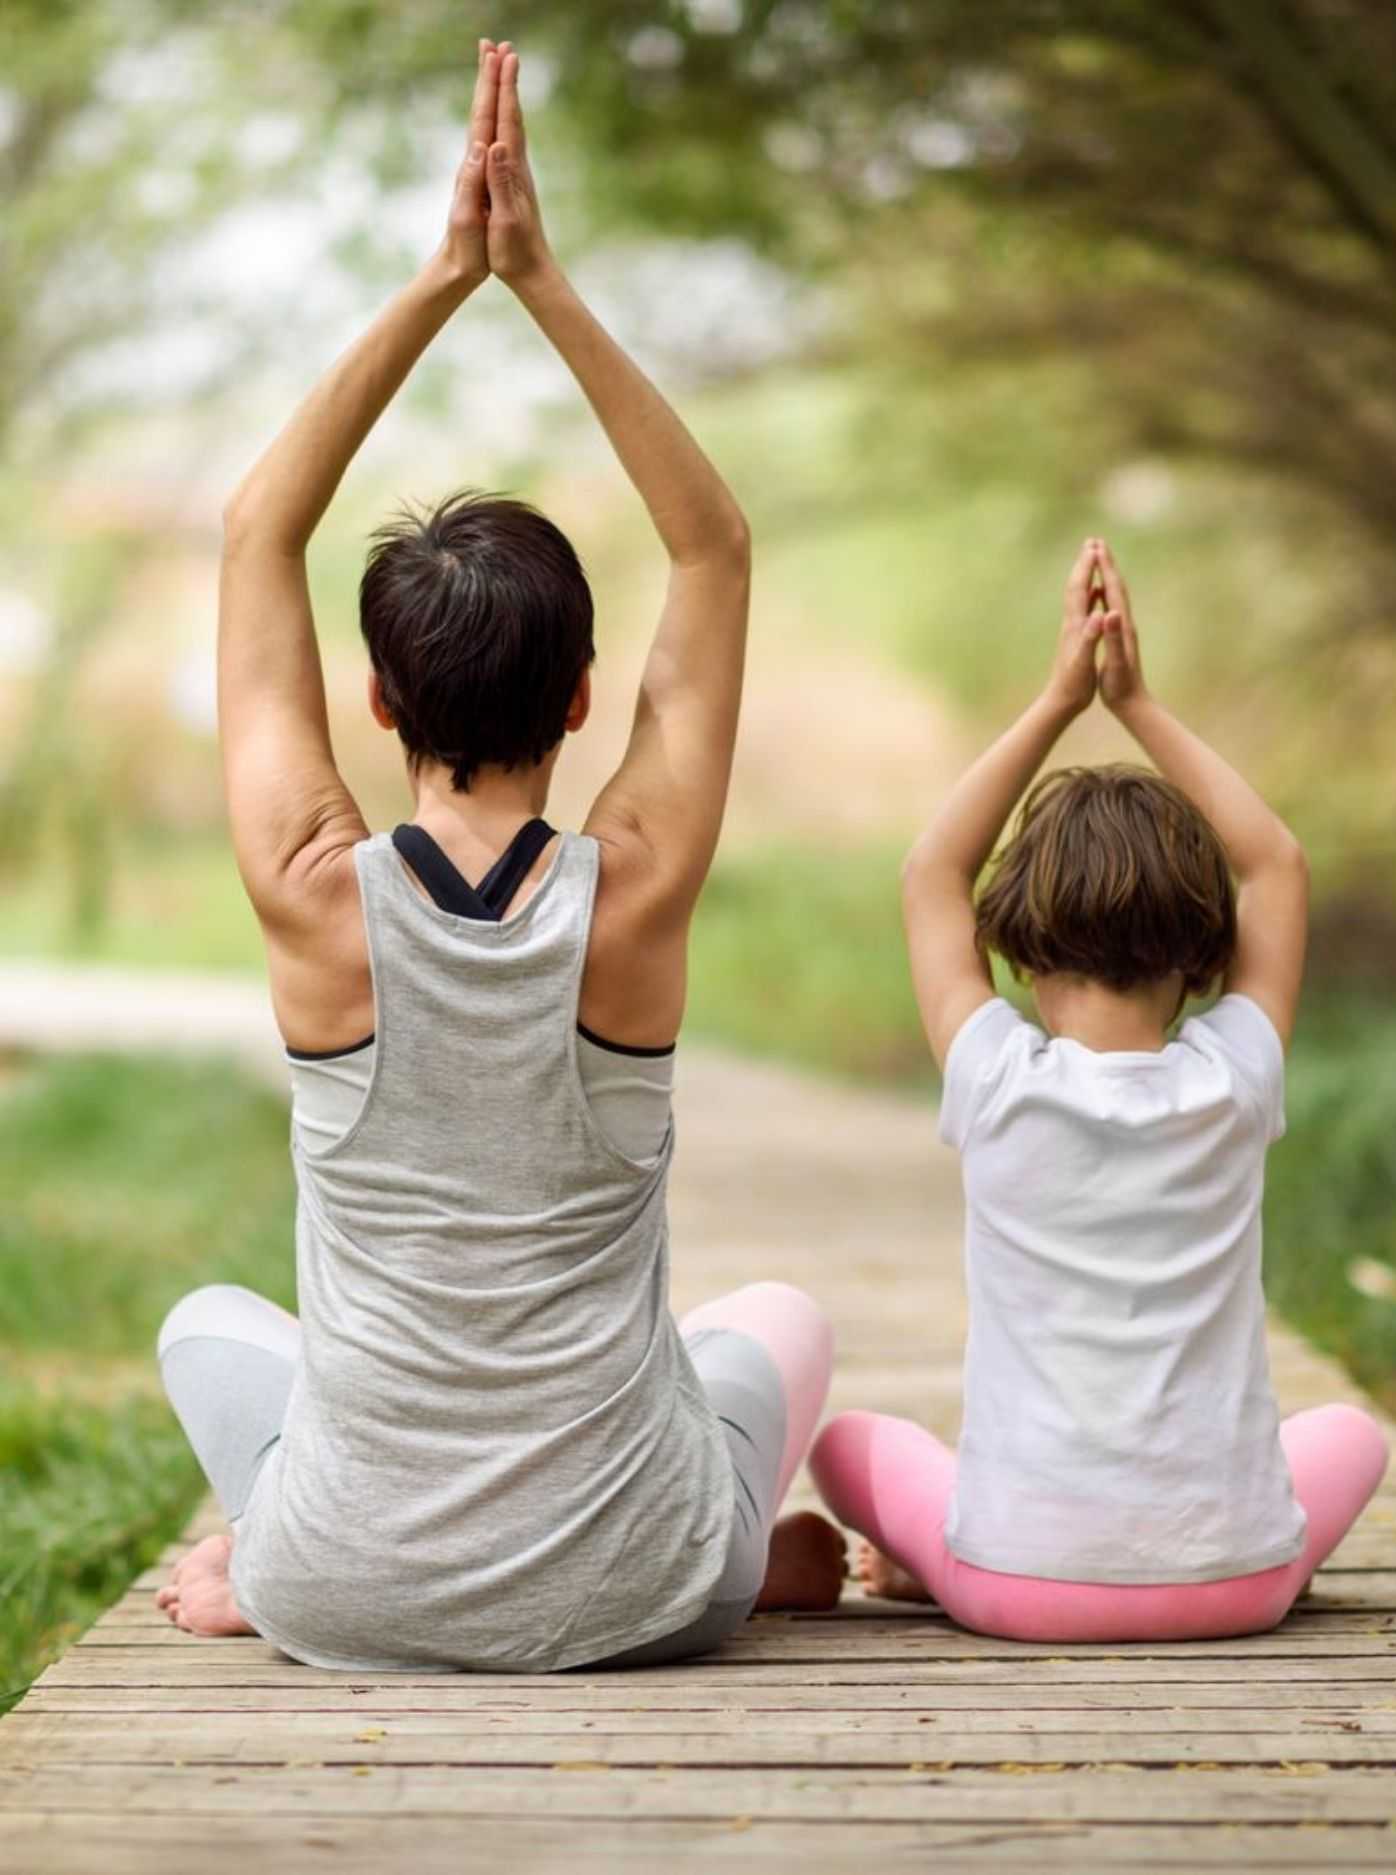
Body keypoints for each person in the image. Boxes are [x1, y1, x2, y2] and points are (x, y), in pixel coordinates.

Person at [154, 39, 844, 1672]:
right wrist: (540, 281)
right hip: (647, 1586)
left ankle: (270, 1551)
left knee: (209, 1325)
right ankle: (738, 1535)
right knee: (771, 1331)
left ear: (378, 698)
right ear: (588, 696)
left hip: (343, 1586)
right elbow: (714, 544)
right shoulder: (638, 890)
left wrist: (440, 276)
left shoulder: (315, 898)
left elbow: (260, 531)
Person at [810, 539, 1388, 1642]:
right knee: (1350, 1439)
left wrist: (1057, 699)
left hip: (1015, 1586)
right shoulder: (1233, 1077)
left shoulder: (995, 1077)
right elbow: (1278, 865)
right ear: (1207, 961)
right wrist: (1139, 704)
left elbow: (931, 868)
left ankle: (924, 1567)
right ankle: (1246, 1549)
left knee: (849, 1446)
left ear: (1019, 952)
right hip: (1238, 1587)